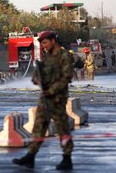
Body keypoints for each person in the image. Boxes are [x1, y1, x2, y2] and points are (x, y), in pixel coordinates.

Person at [12, 31, 74, 170]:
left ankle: (67, 158)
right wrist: (37, 79)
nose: (44, 46)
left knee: (62, 129)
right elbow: (39, 75)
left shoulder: (64, 56)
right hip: (45, 98)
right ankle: (30, 157)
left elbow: (66, 78)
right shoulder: (47, 57)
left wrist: (51, 90)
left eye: (45, 42)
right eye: (42, 44)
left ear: (53, 40)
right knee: (39, 127)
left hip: (57, 99)